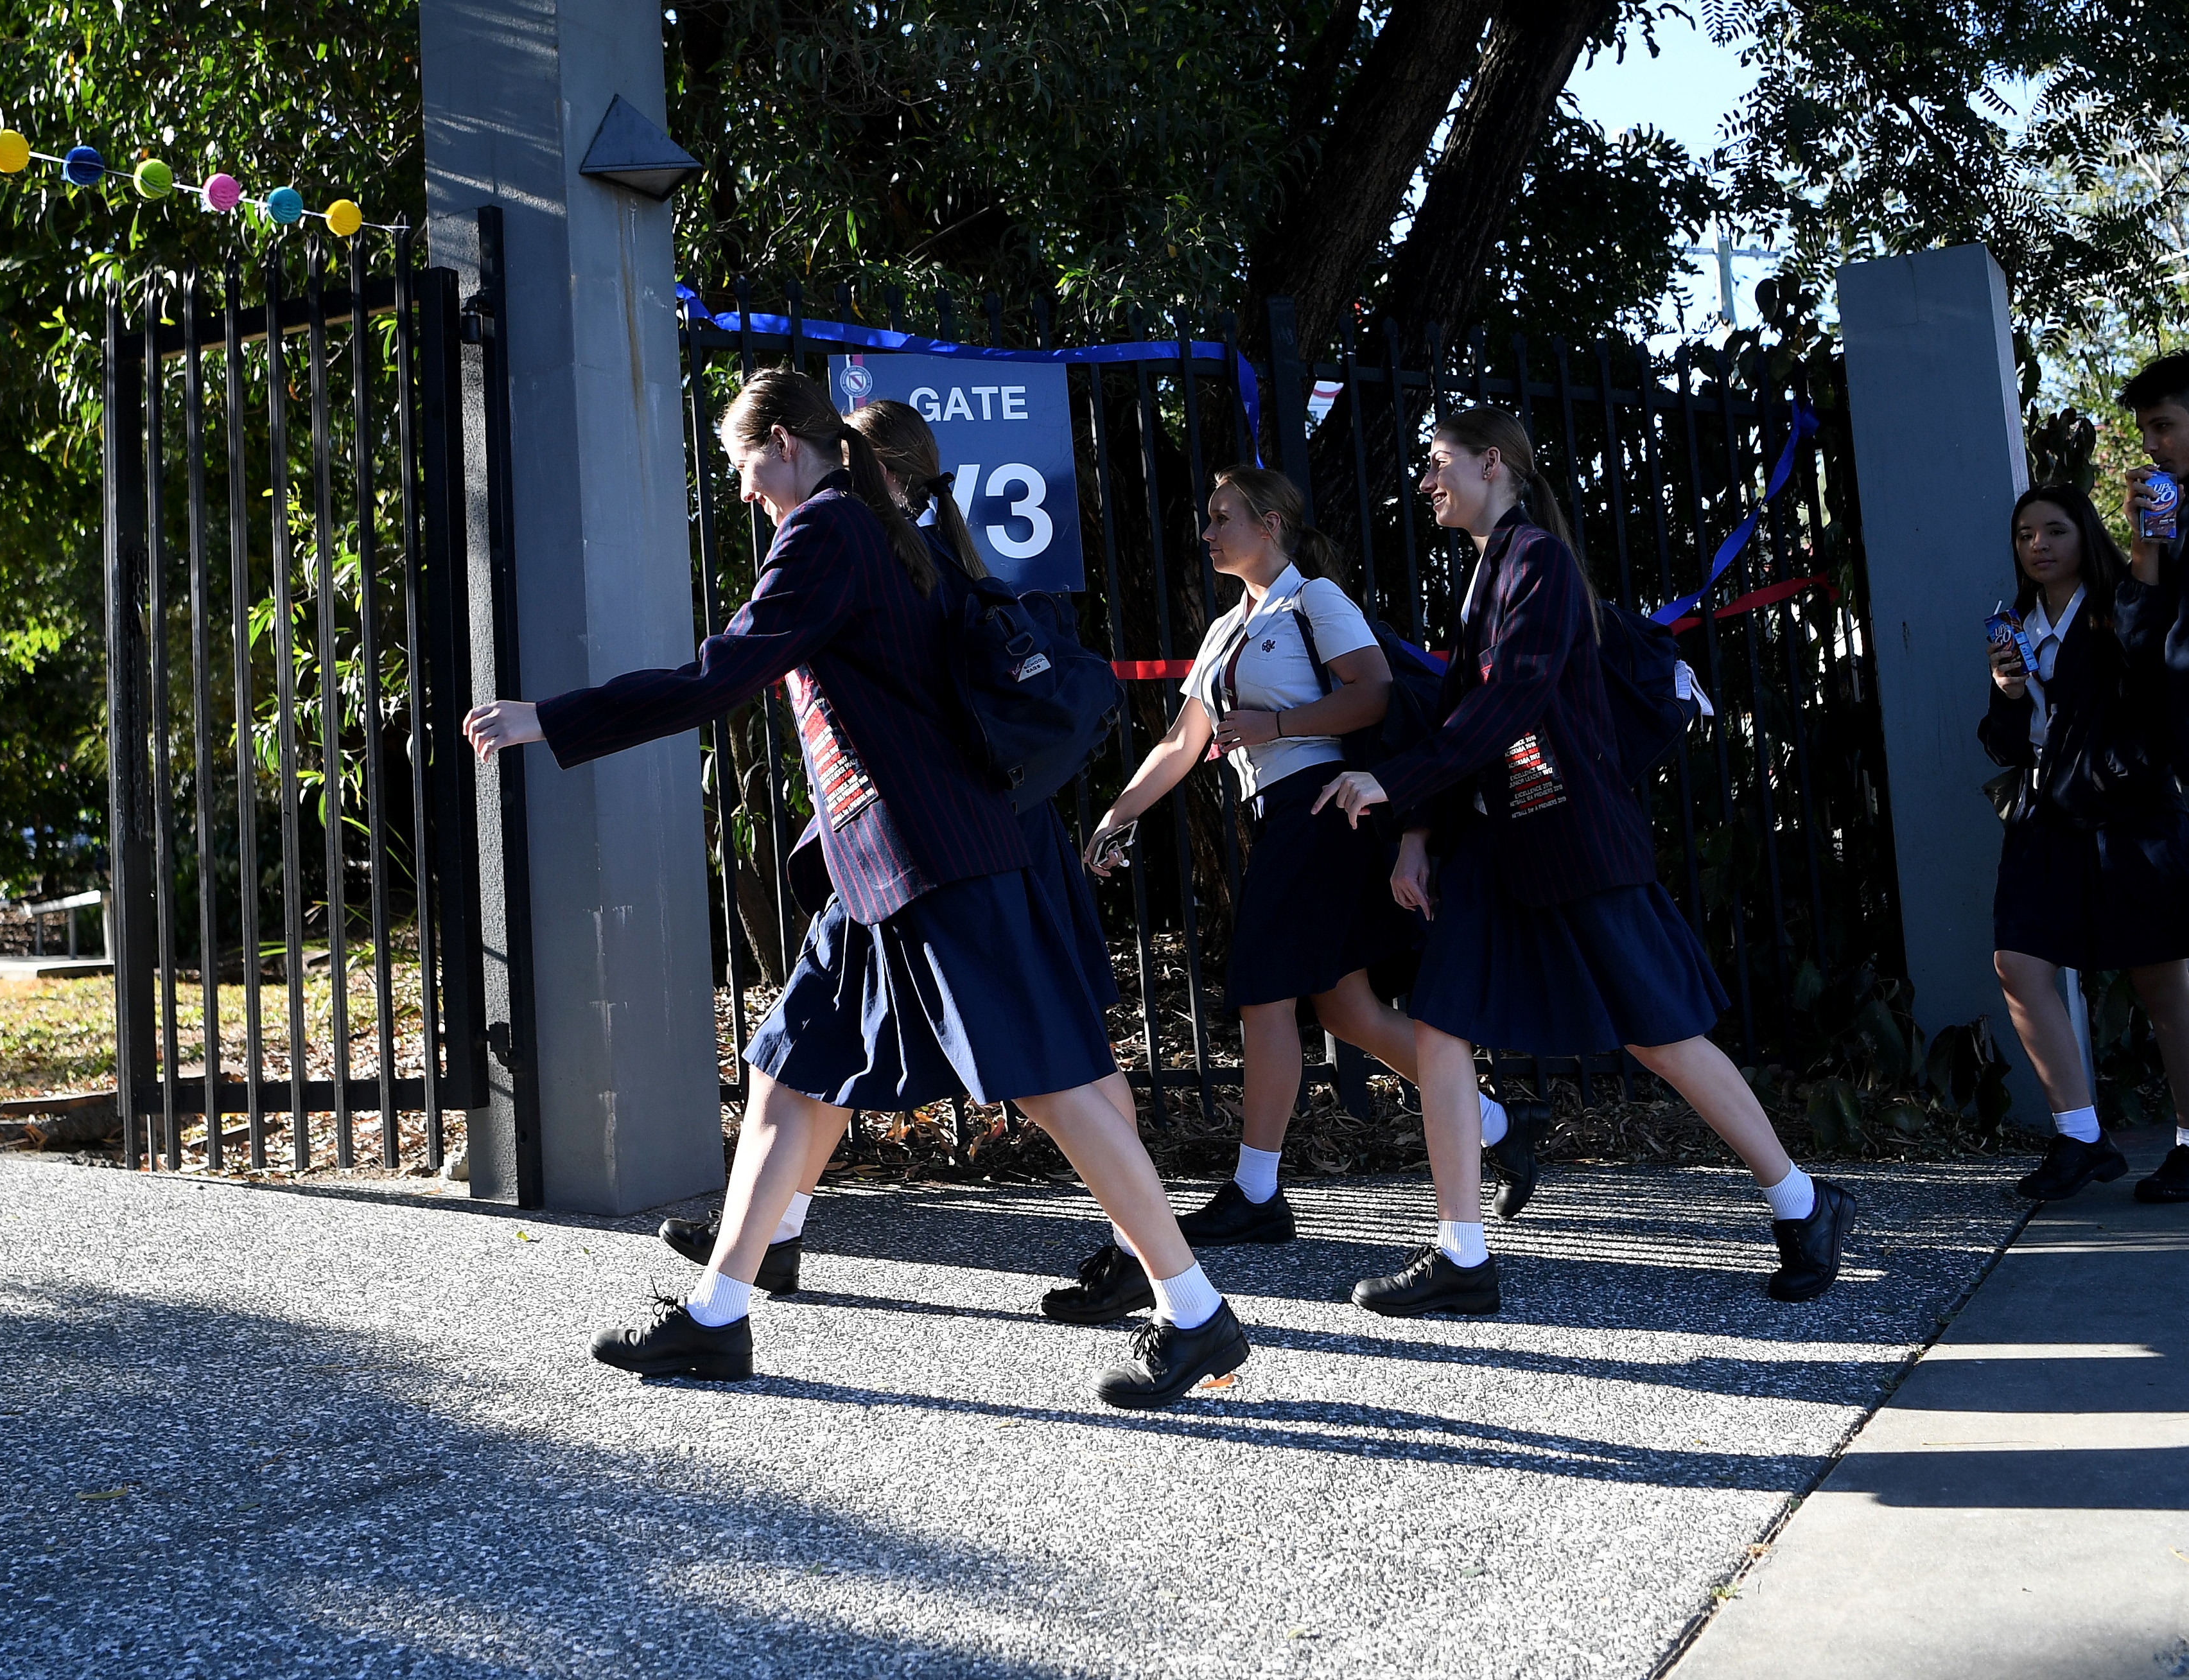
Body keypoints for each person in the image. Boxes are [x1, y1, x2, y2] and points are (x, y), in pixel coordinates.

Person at [462, 369, 1248, 1408]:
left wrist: (548, 719)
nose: (743, 491)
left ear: (786, 443)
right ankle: (718, 1315)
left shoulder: (831, 529)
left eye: (743, 465)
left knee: (1052, 1080)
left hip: (932, 859)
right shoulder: (877, 526)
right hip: (879, 867)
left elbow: (721, 675)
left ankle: (1198, 1315)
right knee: (794, 1073)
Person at [1314, 406, 1853, 1313]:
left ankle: (1804, 1204)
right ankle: (1461, 1255)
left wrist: (1393, 783)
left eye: (1438, 462)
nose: (1425, 482)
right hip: (1498, 844)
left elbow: (1514, 701)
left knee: (1661, 1035)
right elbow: (1464, 718)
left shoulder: (1540, 563)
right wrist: (1420, 835)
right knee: (1441, 1025)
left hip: (1569, 840)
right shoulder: (1491, 569)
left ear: (1493, 464)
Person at [654, 396, 1147, 1313]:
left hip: (966, 835)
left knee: (1063, 1060)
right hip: (913, 841)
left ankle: (1152, 1261)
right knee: (809, 1051)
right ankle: (766, 1241)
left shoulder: (886, 551)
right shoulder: (911, 548)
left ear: (871, 469)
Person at [1065, 464, 1550, 1311]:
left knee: (1263, 993)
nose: (1209, 533)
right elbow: (1185, 742)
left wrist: (1278, 725)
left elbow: (1375, 695)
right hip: (1285, 821)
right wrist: (1116, 815)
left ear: (1274, 522)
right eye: (1207, 519)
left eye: (1223, 518)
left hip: (1322, 814)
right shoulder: (1225, 631)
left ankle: (1257, 1193)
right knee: (1346, 1011)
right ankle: (1502, 1127)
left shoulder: (1314, 600)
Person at [1985, 479, 2189, 1200]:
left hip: (2128, 817)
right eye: (2024, 535)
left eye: (2054, 531)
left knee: (2160, 985)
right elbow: (2003, 741)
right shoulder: (2011, 623)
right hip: (2045, 818)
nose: (2037, 545)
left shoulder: (2118, 610)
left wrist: (2147, 551)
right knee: (2018, 961)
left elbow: (2156, 696)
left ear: (2084, 539)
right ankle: (2078, 1136)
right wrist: (2008, 697)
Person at [2113, 352, 2189, 1205]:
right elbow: (2140, 647)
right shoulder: (2171, 518)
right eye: (2147, 432)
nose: (2155, 447)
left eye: (2165, 425)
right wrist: (2144, 549)